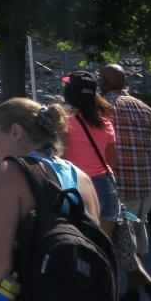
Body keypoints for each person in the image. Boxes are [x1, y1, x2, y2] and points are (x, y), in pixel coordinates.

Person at [0, 98, 102, 300]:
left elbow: (0, 261)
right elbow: (31, 182)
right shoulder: (82, 177)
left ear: (16, 132)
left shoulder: (8, 173)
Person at [98, 64, 151, 301]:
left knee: (121, 239)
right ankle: (134, 291)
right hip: (147, 191)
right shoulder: (146, 109)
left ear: (106, 82)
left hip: (121, 191)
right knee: (136, 231)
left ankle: (138, 289)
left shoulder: (104, 109)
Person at [61, 70, 119, 238]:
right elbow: (112, 161)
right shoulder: (105, 122)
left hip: (77, 185)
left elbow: (61, 156)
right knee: (104, 247)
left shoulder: (66, 122)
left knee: (79, 245)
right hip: (106, 186)